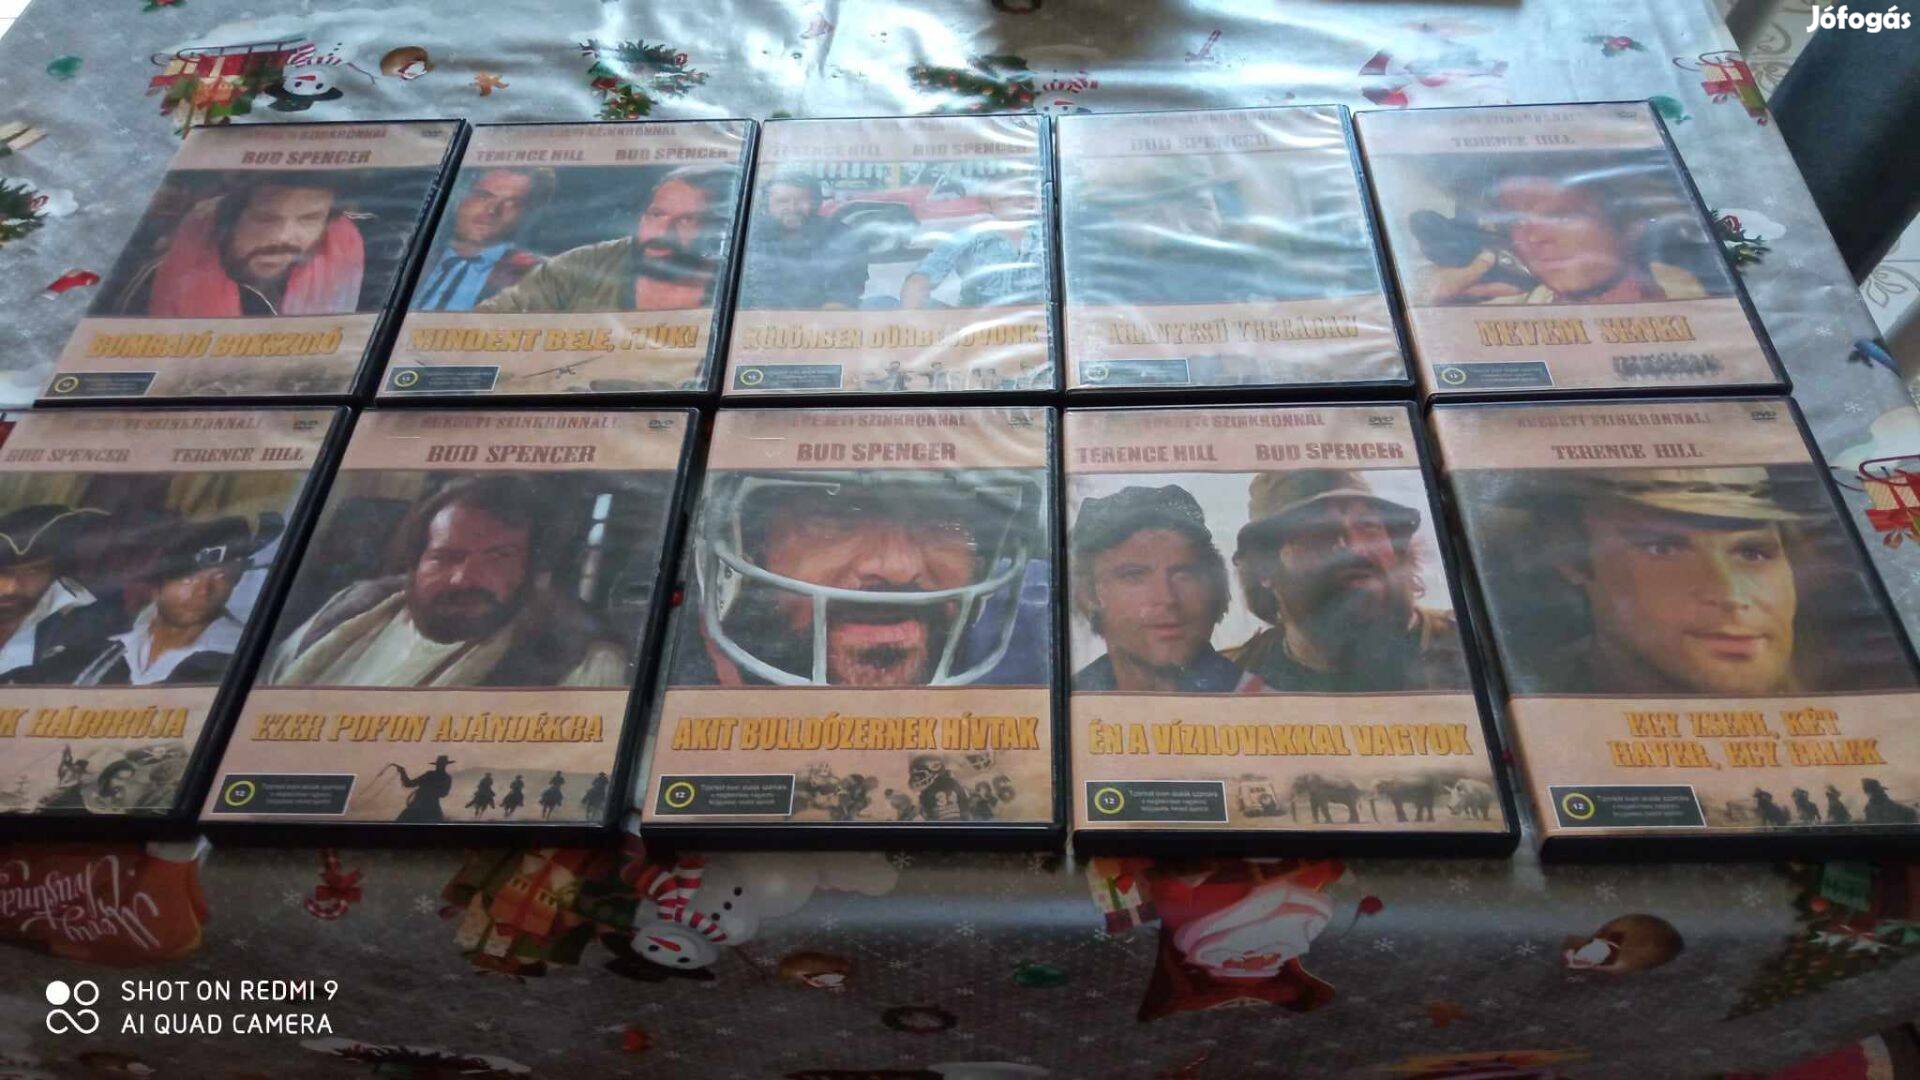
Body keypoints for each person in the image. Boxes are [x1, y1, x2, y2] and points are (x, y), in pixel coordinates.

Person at [678, 470, 1044, 687]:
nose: (898, 568)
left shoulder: (1041, 649)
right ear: (746, 544)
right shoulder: (661, 673)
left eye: (944, 522)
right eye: (838, 518)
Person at [265, 476, 626, 687]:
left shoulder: (580, 663)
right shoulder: (349, 612)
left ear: (530, 571)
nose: (463, 578)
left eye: (497, 558)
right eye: (445, 556)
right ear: (417, 560)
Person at [1518, 468, 1815, 695]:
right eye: (1663, 549)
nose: (1730, 594)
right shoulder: (1535, 690)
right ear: (1570, 557)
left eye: (1752, 553)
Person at [1228, 471, 1467, 693]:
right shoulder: (1229, 679)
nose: (1354, 549)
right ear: (1265, 569)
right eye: (1317, 533)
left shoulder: (1470, 648)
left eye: (1368, 526)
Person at [475, 164, 734, 314]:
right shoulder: (584, 265)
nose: (663, 232)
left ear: (717, 227)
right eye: (657, 214)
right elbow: (486, 319)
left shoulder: (736, 277)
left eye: (687, 220)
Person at [1426, 172, 1707, 306]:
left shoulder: (1707, 299)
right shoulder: (1496, 309)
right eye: (1514, 223)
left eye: (1559, 216)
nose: (1534, 237)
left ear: (1630, 225)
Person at [111, 175, 366, 317]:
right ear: (229, 220)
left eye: (309, 219)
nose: (283, 237)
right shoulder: (158, 279)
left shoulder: (352, 261)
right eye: (264, 218)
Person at [1071, 485, 1239, 692]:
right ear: (1089, 595)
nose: (1167, 598)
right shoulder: (1064, 697)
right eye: (1134, 575)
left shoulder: (1262, 701)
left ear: (1214, 587)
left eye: (1184, 574)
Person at [75, 517, 268, 686]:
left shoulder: (241, 654)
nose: (203, 590)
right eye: (188, 578)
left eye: (220, 577)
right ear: (157, 586)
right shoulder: (106, 650)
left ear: (235, 580)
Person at [0, 504, 121, 684]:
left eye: (32, 572)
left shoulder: (85, 620)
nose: (12, 588)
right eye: (3, 573)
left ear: (54, 571)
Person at [412, 167, 553, 311]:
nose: (492, 210)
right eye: (483, 196)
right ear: (459, 199)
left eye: (512, 203)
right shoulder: (412, 255)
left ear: (527, 214)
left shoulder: (541, 275)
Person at [900, 175, 1045, 309]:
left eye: (1024, 197)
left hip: (1039, 323)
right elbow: (924, 275)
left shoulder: (1049, 235)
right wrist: (913, 305)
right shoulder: (970, 237)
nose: (1017, 203)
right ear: (988, 206)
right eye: (1006, 199)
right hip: (978, 322)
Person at [736, 168, 866, 309]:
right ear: (767, 205)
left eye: (801, 201)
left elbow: (844, 292)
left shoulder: (839, 235)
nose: (792, 208)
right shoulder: (747, 235)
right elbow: (743, 293)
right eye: (782, 201)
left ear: (816, 203)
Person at [392, 754, 455, 823]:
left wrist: (429, 790)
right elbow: (409, 784)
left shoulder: (444, 777)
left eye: (441, 764)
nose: (439, 766)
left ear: (444, 765)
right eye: (439, 764)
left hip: (426, 807)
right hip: (423, 806)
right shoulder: (430, 774)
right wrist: (402, 772)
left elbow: (444, 794)